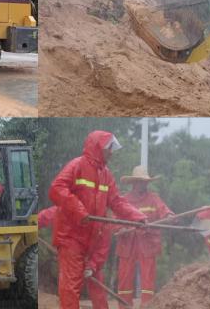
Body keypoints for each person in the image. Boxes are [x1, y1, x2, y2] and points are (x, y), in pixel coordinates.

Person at [49, 131, 147, 309]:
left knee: (95, 286)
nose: (111, 152)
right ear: (98, 148)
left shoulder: (106, 174)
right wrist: (78, 210)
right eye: (109, 148)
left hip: (92, 240)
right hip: (71, 237)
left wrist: (137, 217)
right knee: (70, 287)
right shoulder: (77, 165)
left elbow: (117, 202)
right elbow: (56, 188)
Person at [115, 166, 173, 308]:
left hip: (148, 243)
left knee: (148, 280)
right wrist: (121, 229)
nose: (144, 184)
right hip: (128, 243)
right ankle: (124, 306)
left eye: (146, 181)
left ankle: (147, 306)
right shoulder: (123, 200)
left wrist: (169, 215)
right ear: (134, 183)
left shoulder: (154, 198)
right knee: (124, 279)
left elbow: (165, 211)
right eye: (141, 181)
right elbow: (114, 222)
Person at [39, 204, 114, 309]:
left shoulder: (106, 222)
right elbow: (49, 214)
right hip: (72, 255)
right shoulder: (74, 206)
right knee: (69, 288)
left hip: (91, 258)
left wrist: (92, 266)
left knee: (97, 289)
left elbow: (103, 249)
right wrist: (35, 223)